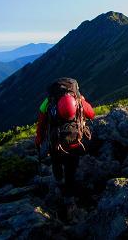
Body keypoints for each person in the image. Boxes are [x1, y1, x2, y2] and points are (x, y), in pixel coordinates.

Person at [34, 77, 95, 220]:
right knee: (71, 169)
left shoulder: (48, 102)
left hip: (55, 144)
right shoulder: (79, 100)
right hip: (74, 143)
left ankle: (58, 182)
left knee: (56, 162)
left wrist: (38, 140)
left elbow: (41, 124)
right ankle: (69, 197)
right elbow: (92, 114)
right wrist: (83, 102)